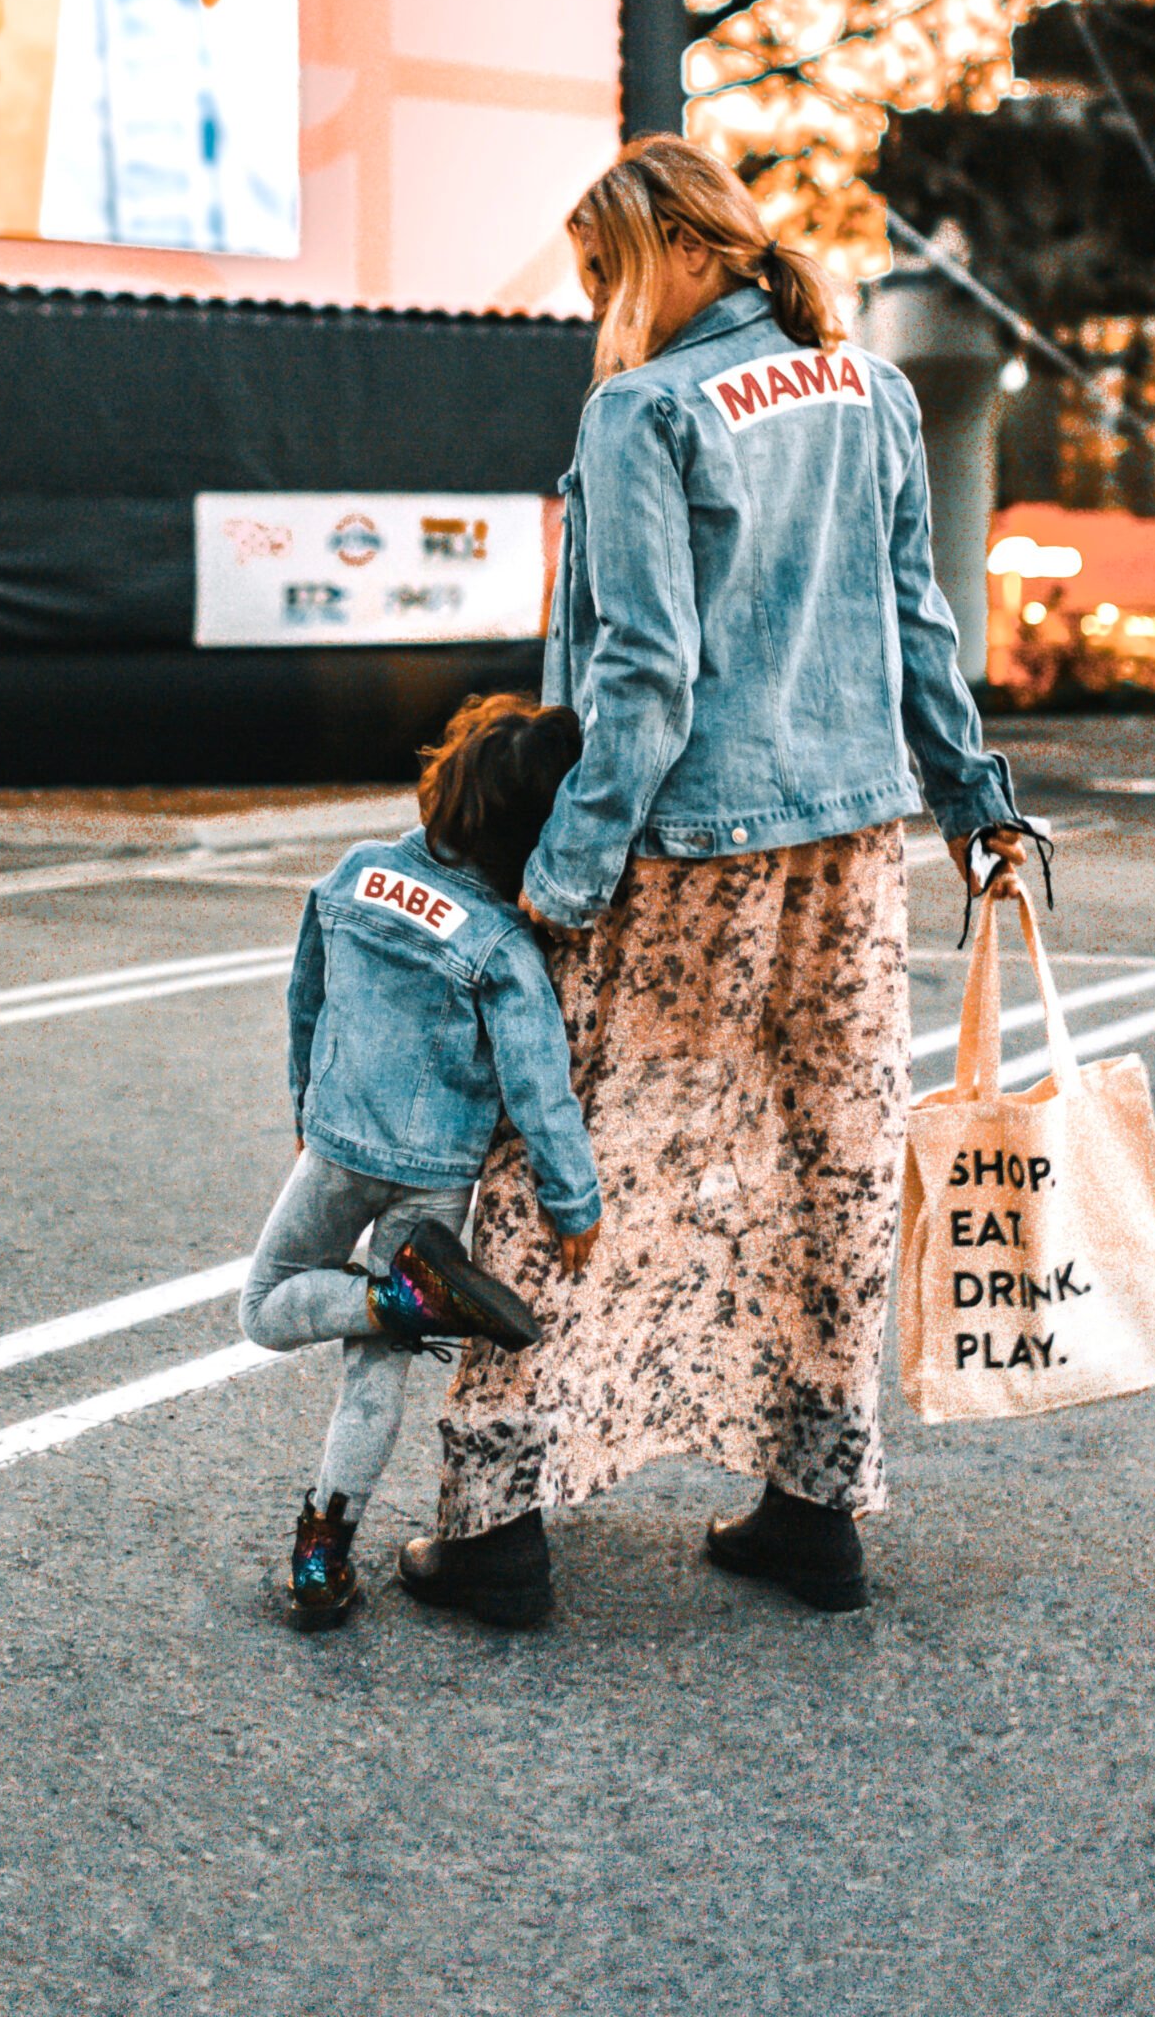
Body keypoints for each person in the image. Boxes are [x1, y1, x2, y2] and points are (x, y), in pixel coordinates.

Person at [396, 135, 1034, 1629]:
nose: (607, 307)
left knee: (564, 1159)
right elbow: (915, 622)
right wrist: (975, 803)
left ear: (685, 246)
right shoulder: (868, 390)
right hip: (855, 849)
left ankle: (496, 1531)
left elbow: (646, 674)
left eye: (610, 273)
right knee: (831, 1157)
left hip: (689, 855)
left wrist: (561, 875)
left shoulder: (645, 412)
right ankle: (814, 1511)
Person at [240, 693, 603, 1628]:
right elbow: (539, 1084)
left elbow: (304, 1000)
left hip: (338, 1149)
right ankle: (322, 1557)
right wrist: (575, 1203)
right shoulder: (504, 945)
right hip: (439, 1173)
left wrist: (302, 1103)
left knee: (265, 1307)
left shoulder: (355, 876)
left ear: (445, 778)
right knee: (376, 1371)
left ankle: (385, 1300)